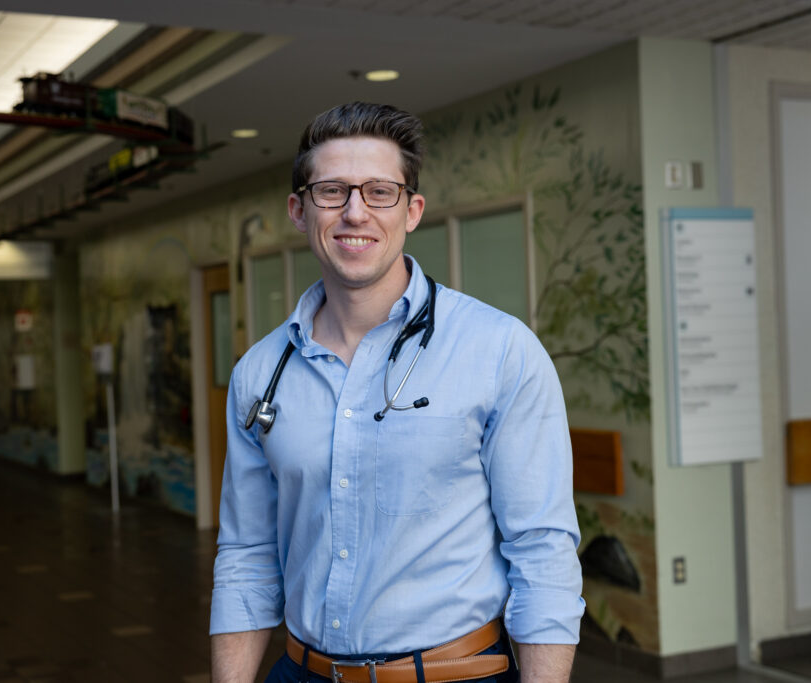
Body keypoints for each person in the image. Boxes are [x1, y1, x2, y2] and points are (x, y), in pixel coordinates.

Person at [211, 102, 583, 683]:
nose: (354, 212)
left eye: (380, 192)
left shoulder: (498, 350)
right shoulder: (260, 373)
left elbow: (541, 548)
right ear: (298, 210)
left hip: (454, 675)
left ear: (412, 211)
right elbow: (246, 555)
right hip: (302, 672)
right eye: (331, 191)